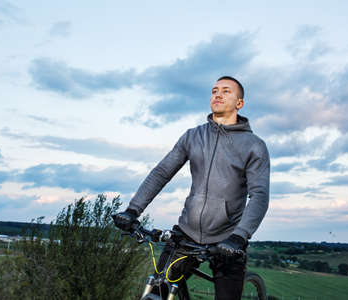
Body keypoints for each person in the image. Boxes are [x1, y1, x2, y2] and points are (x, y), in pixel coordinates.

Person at [114, 76, 270, 300]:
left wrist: (239, 237)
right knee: (157, 293)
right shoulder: (193, 136)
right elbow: (161, 173)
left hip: (227, 240)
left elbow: (259, 196)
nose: (217, 94)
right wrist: (132, 210)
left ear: (239, 103)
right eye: (214, 90)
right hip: (186, 235)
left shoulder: (254, 146)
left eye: (226, 91)